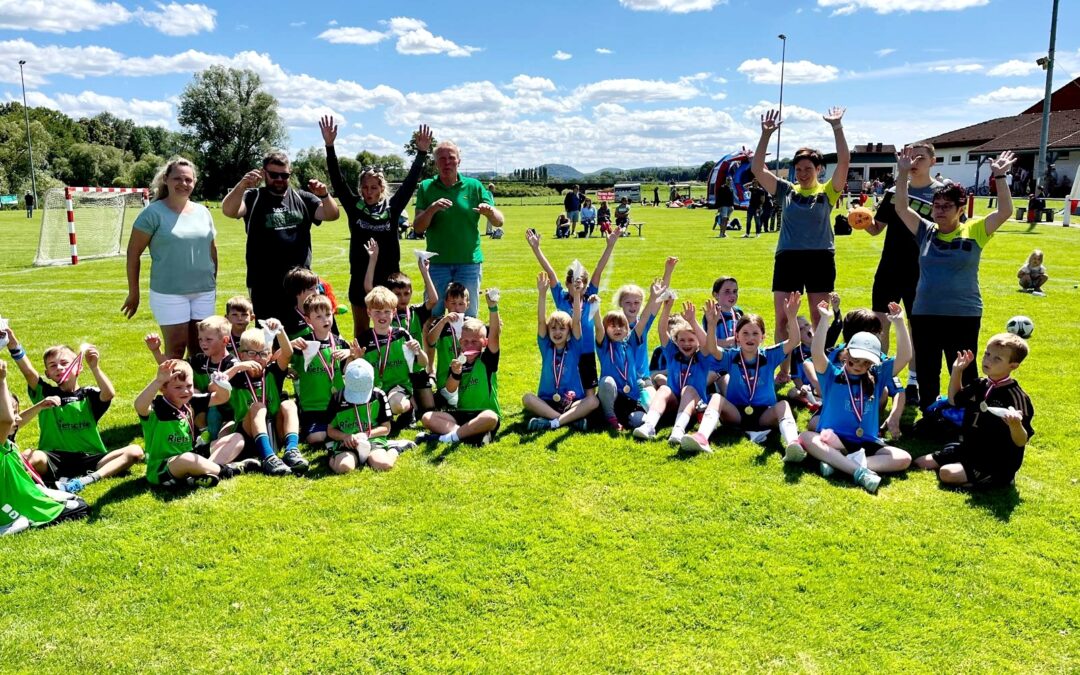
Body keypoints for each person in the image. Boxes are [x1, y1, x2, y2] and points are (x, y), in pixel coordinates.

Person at [891, 146, 1016, 418]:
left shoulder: (975, 230)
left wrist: (1000, 177)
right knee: (927, 366)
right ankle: (929, 412)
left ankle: (967, 415)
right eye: (936, 206)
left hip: (964, 313)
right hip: (925, 312)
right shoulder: (925, 230)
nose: (940, 211)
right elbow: (901, 207)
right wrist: (902, 174)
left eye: (947, 206)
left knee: (964, 367)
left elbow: (1005, 211)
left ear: (961, 209)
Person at [751, 106, 850, 383]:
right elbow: (757, 168)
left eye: (808, 169)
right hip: (788, 258)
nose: (803, 173)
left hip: (820, 258)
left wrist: (837, 128)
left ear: (819, 169)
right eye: (799, 169)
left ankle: (820, 372)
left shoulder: (827, 191)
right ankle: (783, 371)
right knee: (783, 319)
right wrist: (766, 134)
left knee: (819, 320)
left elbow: (844, 163)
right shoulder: (786, 190)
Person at [320, 117, 431, 335]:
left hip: (390, 279)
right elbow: (338, 181)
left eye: (373, 187)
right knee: (361, 332)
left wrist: (421, 153)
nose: (368, 192)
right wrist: (330, 147)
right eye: (365, 187)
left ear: (381, 188)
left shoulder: (392, 208)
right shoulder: (355, 207)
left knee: (392, 331)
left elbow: (409, 185)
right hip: (360, 278)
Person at [5, 326, 143, 493]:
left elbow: (108, 394)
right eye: (53, 365)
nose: (59, 368)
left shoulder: (89, 394)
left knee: (135, 451)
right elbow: (27, 371)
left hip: (90, 457)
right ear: (47, 373)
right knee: (29, 456)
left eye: (64, 363)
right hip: (53, 457)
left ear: (78, 368)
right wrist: (12, 343)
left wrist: (95, 367)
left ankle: (84, 481)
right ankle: (25, 490)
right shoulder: (45, 394)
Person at [798, 300, 913, 494]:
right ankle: (858, 471)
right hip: (834, 438)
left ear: (873, 362)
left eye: (866, 361)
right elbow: (816, 352)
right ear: (847, 352)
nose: (859, 365)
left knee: (904, 458)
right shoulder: (832, 375)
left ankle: (838, 462)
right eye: (855, 359)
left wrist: (900, 323)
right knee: (807, 437)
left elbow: (905, 356)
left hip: (866, 441)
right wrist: (825, 320)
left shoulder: (877, 376)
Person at [864, 142, 943, 407]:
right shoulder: (892, 191)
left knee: (916, 328)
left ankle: (913, 382)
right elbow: (877, 229)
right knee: (880, 325)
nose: (914, 161)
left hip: (923, 270)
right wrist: (861, 220)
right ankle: (879, 378)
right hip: (889, 267)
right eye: (909, 156)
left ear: (933, 161)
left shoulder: (942, 194)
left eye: (921, 157)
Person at [221, 150, 340, 325]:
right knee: (269, 338)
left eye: (284, 175)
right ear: (263, 173)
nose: (279, 179)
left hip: (300, 284)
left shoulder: (303, 198)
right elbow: (229, 211)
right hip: (264, 283)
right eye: (274, 174)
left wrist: (324, 195)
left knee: (304, 335)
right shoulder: (253, 197)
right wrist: (242, 185)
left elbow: (331, 214)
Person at [122, 157, 219, 359]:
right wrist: (134, 293)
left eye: (188, 180)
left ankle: (199, 391)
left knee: (203, 352)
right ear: (166, 179)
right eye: (177, 179)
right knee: (175, 351)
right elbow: (133, 254)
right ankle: (174, 391)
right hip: (169, 293)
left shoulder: (203, 212)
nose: (183, 184)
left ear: (194, 182)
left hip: (204, 292)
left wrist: (212, 281)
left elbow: (212, 249)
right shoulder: (152, 213)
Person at [914, 334, 1034, 488]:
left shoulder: (1017, 397)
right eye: (987, 354)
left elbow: (1021, 441)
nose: (988, 360)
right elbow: (953, 400)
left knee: (946, 473)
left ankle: (1001, 479)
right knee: (920, 462)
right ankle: (968, 473)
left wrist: (1015, 425)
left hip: (993, 459)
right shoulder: (980, 384)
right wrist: (957, 371)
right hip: (968, 448)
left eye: (997, 359)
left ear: (1013, 365)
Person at [691, 296, 804, 457]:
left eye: (755, 333)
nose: (750, 338)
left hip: (764, 415)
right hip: (735, 414)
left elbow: (794, 341)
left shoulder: (770, 355)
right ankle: (702, 438)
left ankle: (793, 444)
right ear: (737, 336)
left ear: (763, 337)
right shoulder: (731, 356)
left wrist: (792, 317)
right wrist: (711, 324)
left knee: (783, 405)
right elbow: (712, 348)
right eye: (745, 333)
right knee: (716, 398)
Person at [413, 140, 505, 318]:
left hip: (468, 263)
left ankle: (467, 347)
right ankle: (432, 347)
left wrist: (490, 212)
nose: (447, 162)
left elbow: (499, 222)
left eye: (451, 158)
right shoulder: (426, 187)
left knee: (469, 318)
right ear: (435, 162)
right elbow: (417, 227)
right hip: (436, 263)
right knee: (433, 316)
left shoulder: (474, 186)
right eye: (441, 159)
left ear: (459, 161)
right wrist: (432, 209)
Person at [135, 359, 258, 490]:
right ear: (163, 388)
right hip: (164, 467)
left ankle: (200, 474)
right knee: (186, 459)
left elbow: (221, 398)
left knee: (237, 438)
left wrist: (223, 385)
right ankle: (230, 470)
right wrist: (158, 380)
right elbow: (139, 405)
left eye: (189, 386)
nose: (185, 391)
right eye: (178, 387)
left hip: (191, 453)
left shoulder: (190, 402)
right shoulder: (157, 407)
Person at [528, 228, 621, 396]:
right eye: (574, 283)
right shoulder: (561, 297)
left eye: (582, 283)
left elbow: (599, 269)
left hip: (586, 352)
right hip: (566, 353)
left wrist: (610, 245)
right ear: (568, 284)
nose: (578, 286)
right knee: (565, 389)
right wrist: (536, 248)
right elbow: (550, 272)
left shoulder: (590, 296)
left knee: (588, 395)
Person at [1, 362, 89, 536]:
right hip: (9, 504)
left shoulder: (7, 442)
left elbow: (10, 421)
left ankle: (36, 493)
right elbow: (6, 420)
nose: (17, 418)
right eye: (13, 413)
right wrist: (1, 380)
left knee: (78, 504)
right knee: (80, 508)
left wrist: (39, 406)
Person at [417, 288, 502, 446]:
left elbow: (495, 336)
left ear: (484, 342)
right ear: (460, 341)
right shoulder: (457, 361)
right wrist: (455, 374)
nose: (469, 345)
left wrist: (493, 308)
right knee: (427, 417)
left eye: (474, 341)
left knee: (491, 417)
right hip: (460, 415)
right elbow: (450, 390)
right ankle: (469, 435)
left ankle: (449, 437)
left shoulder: (487, 358)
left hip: (483, 413)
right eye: (465, 341)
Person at [225, 320, 307, 476]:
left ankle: (291, 451)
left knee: (288, 405)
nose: (257, 358)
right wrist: (237, 367)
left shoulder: (272, 372)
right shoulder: (236, 376)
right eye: (251, 353)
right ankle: (268, 457)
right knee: (257, 407)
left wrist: (280, 330)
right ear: (241, 355)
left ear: (270, 355)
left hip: (275, 429)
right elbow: (215, 386)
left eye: (263, 353)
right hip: (248, 435)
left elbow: (287, 352)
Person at [631, 300, 716, 446]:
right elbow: (662, 330)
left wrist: (693, 322)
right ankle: (649, 426)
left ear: (697, 342)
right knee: (664, 388)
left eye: (691, 340)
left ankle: (678, 430)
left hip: (694, 406)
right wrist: (667, 307)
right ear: (675, 341)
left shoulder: (702, 357)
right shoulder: (672, 353)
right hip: (674, 403)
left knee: (688, 389)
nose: (686, 343)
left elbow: (707, 343)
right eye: (682, 340)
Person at [523, 272, 599, 430]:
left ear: (569, 332)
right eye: (554, 328)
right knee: (527, 399)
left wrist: (577, 295)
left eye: (562, 329)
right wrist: (542, 293)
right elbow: (540, 321)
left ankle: (550, 422)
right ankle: (566, 420)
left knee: (593, 401)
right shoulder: (546, 347)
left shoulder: (575, 347)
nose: (557, 332)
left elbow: (576, 321)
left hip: (571, 401)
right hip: (547, 401)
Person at [357, 287, 429, 423]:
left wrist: (418, 351)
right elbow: (353, 370)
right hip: (373, 390)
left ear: (394, 312)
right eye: (377, 312)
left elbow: (423, 363)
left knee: (397, 405)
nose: (382, 316)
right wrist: (356, 358)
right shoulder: (364, 339)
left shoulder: (402, 334)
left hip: (398, 387)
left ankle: (408, 409)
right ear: (368, 312)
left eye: (386, 311)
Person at [290, 294, 352, 445]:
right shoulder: (303, 344)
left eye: (328, 314)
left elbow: (351, 371)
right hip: (313, 407)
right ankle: (331, 435)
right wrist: (290, 346)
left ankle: (333, 434)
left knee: (350, 430)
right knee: (315, 438)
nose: (325, 320)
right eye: (319, 317)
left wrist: (351, 353)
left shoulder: (340, 343)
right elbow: (279, 359)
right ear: (308, 320)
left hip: (337, 404)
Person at [326, 359, 396, 473]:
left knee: (384, 465)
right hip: (347, 443)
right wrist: (345, 437)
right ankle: (333, 456)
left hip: (373, 439)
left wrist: (366, 434)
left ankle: (394, 449)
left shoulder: (379, 395)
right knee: (344, 467)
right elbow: (330, 430)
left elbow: (386, 428)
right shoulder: (337, 399)